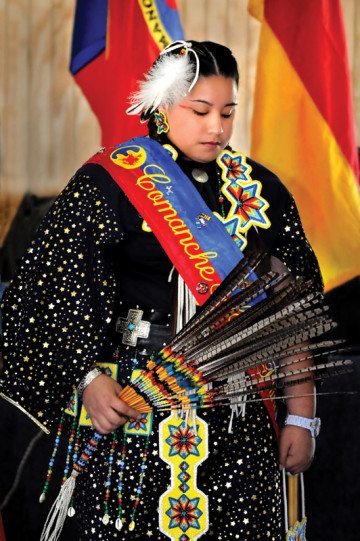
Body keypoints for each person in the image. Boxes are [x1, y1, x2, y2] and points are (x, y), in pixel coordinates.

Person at [0, 40, 323, 540]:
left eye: (228, 112)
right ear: (162, 104)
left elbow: (292, 304)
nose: (216, 127)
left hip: (237, 409)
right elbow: (52, 288)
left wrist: (302, 412)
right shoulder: (110, 182)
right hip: (135, 399)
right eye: (200, 110)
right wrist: (88, 381)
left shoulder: (260, 192)